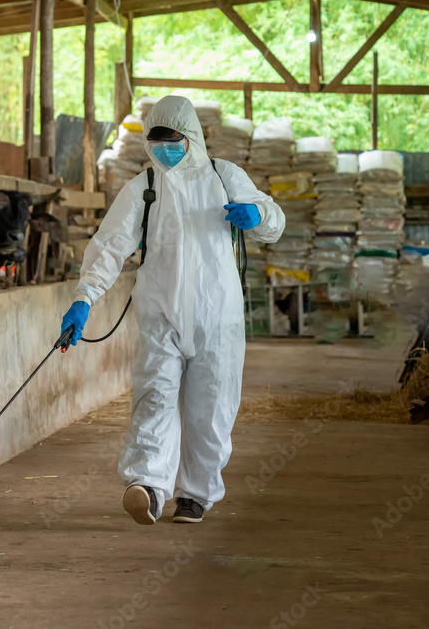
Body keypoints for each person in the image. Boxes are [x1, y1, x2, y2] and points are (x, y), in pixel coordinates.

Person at [60, 95, 284, 525]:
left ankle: (196, 494)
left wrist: (257, 213)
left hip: (217, 318)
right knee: (155, 397)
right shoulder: (144, 187)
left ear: (191, 138)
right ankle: (147, 486)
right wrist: (83, 298)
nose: (164, 149)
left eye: (172, 140)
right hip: (161, 313)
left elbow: (274, 221)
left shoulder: (223, 176)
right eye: (157, 141)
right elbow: (110, 246)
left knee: (212, 408)